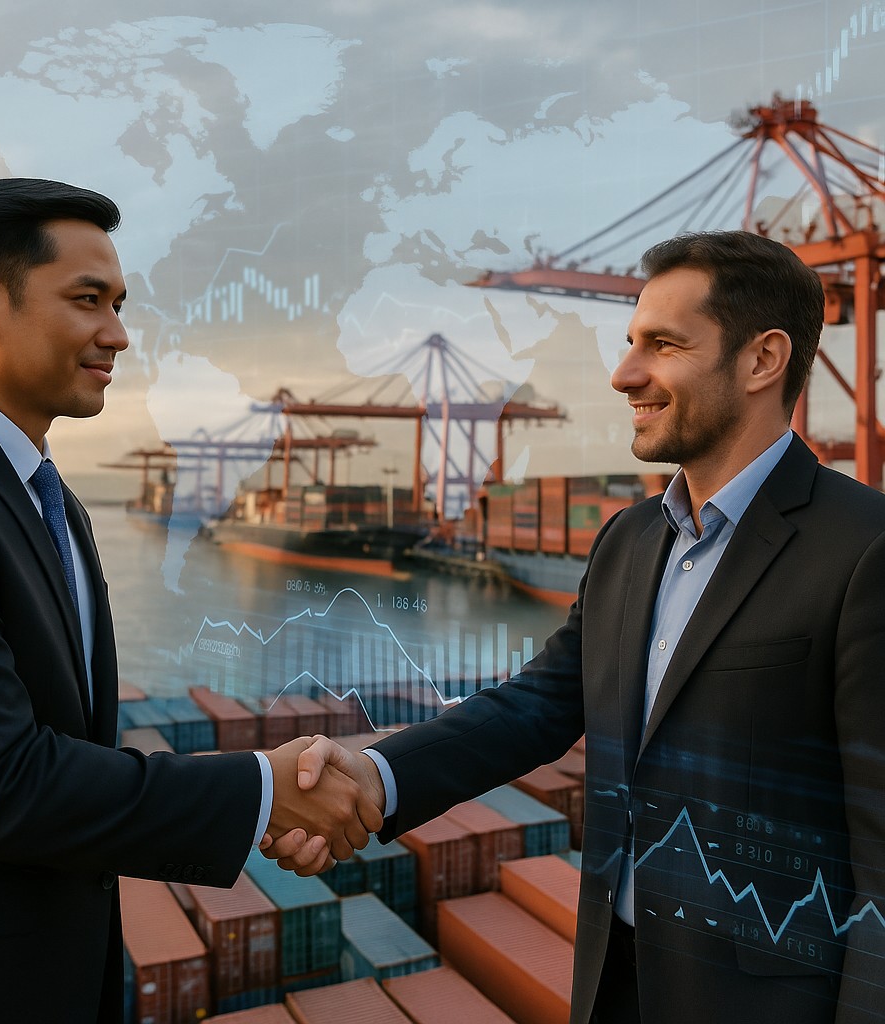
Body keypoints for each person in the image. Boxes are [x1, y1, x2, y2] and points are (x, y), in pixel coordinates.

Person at [266, 231, 885, 1023]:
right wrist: (373, 779)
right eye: (630, 343)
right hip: (608, 978)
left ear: (763, 359)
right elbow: (537, 707)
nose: (624, 374)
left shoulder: (865, 551)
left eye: (663, 345)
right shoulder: (629, 539)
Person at [0, 178, 379, 1024]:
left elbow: (68, 749)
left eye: (120, 304)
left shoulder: (53, 501)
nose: (119, 333)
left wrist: (260, 808)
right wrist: (263, 791)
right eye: (87, 300)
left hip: (61, 974)